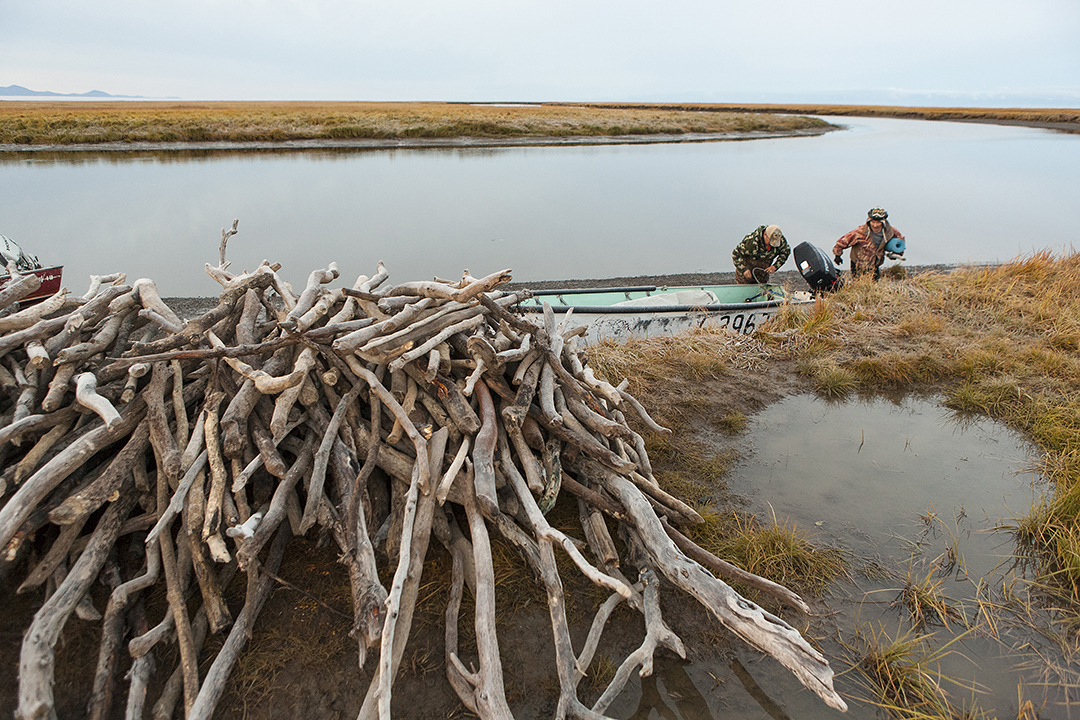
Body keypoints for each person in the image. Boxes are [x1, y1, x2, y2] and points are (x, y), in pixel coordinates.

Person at [833, 207, 906, 280]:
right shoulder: (860, 232)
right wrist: (837, 255)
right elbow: (842, 242)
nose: (875, 225)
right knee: (858, 285)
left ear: (883, 222)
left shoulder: (890, 231)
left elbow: (900, 242)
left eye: (878, 222)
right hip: (858, 264)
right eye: (873, 222)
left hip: (875, 264)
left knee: (874, 285)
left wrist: (898, 254)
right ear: (869, 221)